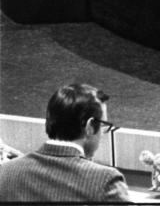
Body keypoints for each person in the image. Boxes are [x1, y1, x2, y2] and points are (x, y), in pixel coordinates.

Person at [0, 83, 130, 202]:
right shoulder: (106, 181)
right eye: (103, 124)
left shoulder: (6, 173)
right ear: (89, 126)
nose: (103, 133)